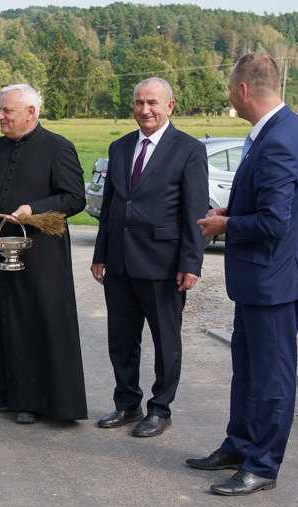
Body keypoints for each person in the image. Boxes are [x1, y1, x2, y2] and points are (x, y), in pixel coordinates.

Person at [192, 53, 298, 495]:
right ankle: (240, 445)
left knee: (272, 377)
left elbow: (274, 223)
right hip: (260, 279)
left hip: (275, 280)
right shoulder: (275, 131)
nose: (229, 97)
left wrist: (224, 225)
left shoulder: (280, 139)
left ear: (244, 90)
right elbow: (267, 207)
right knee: (247, 370)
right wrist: (233, 211)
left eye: (230, 89)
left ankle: (262, 466)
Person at [0, 84, 87, 425]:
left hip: (40, 256)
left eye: (7, 112)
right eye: (0, 110)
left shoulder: (58, 147)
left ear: (31, 113)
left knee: (34, 322)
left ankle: (33, 400)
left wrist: (35, 209)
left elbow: (75, 198)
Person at [90, 77, 209, 438]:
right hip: (120, 263)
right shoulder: (120, 146)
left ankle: (160, 409)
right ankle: (127, 404)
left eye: (153, 102)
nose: (145, 110)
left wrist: (191, 262)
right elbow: (110, 205)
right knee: (121, 340)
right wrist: (100, 253)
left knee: (165, 342)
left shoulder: (188, 149)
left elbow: (194, 212)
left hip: (163, 265)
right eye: (139, 103)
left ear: (170, 106)